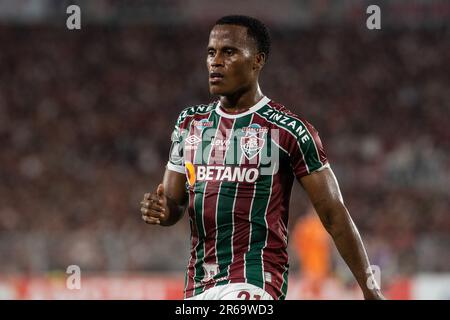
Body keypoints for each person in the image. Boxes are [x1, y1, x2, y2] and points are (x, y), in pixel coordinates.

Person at [140, 15, 384, 300]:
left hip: (255, 283)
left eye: (229, 52)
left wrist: (370, 290)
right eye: (211, 52)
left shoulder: (289, 129)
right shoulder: (190, 123)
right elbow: (175, 204)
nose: (215, 61)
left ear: (258, 60)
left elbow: (333, 213)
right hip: (198, 285)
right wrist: (161, 210)